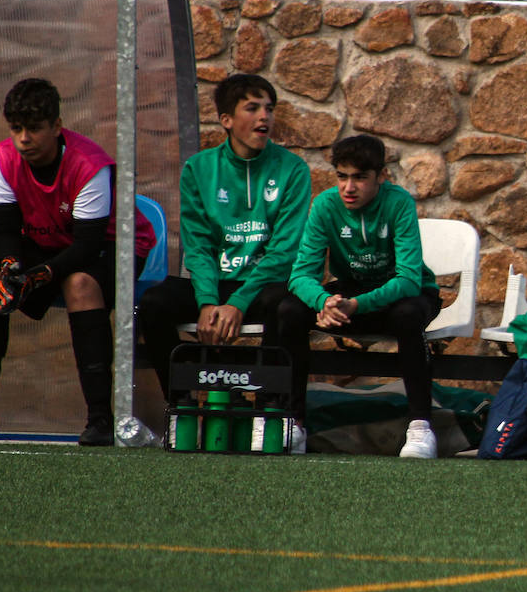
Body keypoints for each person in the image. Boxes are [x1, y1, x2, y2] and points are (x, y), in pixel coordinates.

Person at [0, 78, 157, 444]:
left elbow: (86, 245)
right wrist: (11, 268)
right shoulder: (4, 157)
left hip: (115, 245)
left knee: (80, 284)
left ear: (56, 126)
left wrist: (37, 277)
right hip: (47, 240)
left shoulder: (89, 165)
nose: (23, 139)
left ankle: (100, 419)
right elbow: (4, 231)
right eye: (17, 129)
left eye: (34, 128)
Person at [138, 73, 310, 428]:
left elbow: (283, 254)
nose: (265, 116)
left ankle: (277, 414)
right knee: (153, 303)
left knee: (291, 307)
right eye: (253, 107)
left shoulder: (293, 169)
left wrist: (238, 304)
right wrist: (207, 302)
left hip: (263, 287)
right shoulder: (199, 169)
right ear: (227, 120)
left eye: (269, 108)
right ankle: (181, 407)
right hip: (215, 286)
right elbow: (198, 246)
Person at [278, 134, 442, 458]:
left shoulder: (399, 202)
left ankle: (421, 428)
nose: (348, 187)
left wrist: (356, 305)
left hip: (404, 295)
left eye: (359, 177)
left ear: (381, 177)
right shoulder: (325, 205)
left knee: (408, 316)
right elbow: (300, 275)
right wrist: (323, 302)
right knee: (287, 310)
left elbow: (409, 279)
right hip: (351, 292)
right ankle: (292, 423)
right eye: (342, 176)